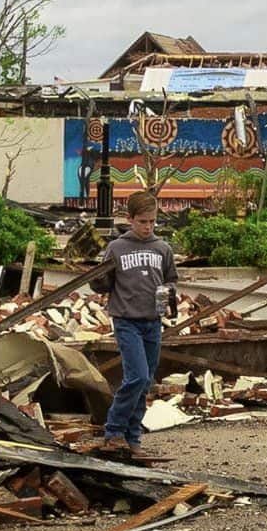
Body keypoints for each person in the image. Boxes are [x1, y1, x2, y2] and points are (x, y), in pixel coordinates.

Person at [98, 189, 179, 454]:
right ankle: (113, 430)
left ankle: (133, 438)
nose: (147, 227)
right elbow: (102, 283)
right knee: (137, 376)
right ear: (130, 219)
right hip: (126, 320)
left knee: (145, 383)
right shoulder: (117, 248)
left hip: (152, 322)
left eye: (152, 221)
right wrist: (94, 277)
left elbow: (171, 279)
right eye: (142, 221)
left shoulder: (162, 248)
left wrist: (169, 293)